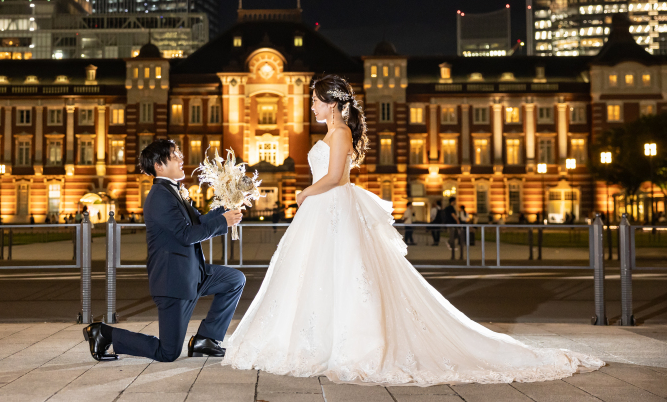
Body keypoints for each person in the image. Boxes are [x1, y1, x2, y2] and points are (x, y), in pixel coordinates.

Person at [221, 74, 604, 385]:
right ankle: (315, 340)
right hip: (323, 211)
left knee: (344, 275)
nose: (313, 106)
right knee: (316, 275)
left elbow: (336, 177)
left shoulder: (340, 134)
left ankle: (350, 347)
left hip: (330, 205)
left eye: (317, 101)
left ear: (334, 103)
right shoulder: (330, 132)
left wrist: (305, 191)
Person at [83, 139, 244, 362]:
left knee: (235, 279)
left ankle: (205, 340)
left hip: (193, 274)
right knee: (167, 353)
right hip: (174, 282)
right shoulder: (159, 197)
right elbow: (185, 235)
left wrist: (227, 208)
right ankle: (104, 333)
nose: (181, 158)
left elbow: (197, 223)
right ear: (158, 165)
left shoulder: (174, 192)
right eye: (175, 155)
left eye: (179, 153)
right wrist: (223, 222)